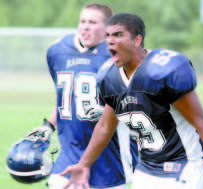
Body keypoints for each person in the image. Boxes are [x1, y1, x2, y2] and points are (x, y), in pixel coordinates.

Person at [60, 13, 203, 189]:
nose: (110, 40)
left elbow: (202, 122)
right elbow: (105, 126)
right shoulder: (109, 77)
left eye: (118, 35)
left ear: (137, 40)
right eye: (108, 35)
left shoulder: (164, 72)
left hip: (184, 165)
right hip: (146, 168)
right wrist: (84, 164)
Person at [36, 4, 138, 189]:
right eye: (82, 21)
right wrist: (48, 126)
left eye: (92, 22)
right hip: (68, 155)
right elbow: (65, 98)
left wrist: (111, 111)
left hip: (108, 160)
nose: (85, 26)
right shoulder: (58, 51)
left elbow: (140, 105)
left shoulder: (121, 56)